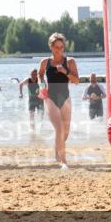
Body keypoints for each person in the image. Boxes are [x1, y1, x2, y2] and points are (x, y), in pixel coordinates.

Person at [39, 33, 80, 170]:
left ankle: (57, 147)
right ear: (51, 47)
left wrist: (65, 72)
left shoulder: (70, 61)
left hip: (65, 97)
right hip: (50, 98)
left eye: (61, 47)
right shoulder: (45, 62)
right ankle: (63, 162)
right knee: (59, 129)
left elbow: (76, 81)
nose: (59, 50)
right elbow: (40, 75)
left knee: (66, 131)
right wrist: (42, 85)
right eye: (56, 47)